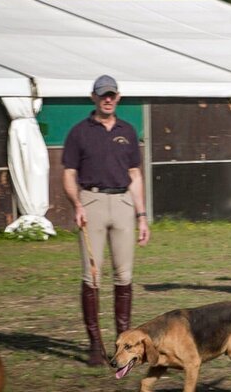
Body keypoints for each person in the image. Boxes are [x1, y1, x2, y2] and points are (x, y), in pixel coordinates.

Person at [62, 74, 150, 366]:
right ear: (94, 98)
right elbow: (69, 173)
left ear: (118, 97)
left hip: (124, 203)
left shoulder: (128, 130)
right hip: (92, 203)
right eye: (103, 95)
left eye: (112, 94)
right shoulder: (79, 132)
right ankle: (95, 345)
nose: (108, 99)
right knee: (93, 277)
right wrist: (77, 204)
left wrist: (141, 216)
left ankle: (122, 343)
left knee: (124, 277)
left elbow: (136, 175)